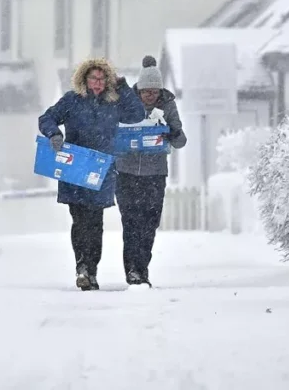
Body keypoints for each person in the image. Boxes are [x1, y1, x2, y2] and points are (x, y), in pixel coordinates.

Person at [38, 57, 145, 291]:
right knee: (80, 220)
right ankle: (82, 267)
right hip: (75, 168)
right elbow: (46, 118)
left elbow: (137, 114)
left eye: (101, 79)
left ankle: (91, 271)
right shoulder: (71, 101)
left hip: (101, 170)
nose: (97, 83)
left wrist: (123, 87)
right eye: (93, 78)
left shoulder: (113, 103)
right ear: (83, 79)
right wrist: (54, 133)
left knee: (95, 223)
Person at [114, 55, 187, 287]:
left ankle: (142, 267)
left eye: (154, 92)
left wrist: (171, 133)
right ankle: (133, 271)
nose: (150, 96)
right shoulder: (125, 103)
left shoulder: (167, 105)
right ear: (139, 90)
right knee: (131, 222)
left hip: (155, 175)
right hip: (125, 173)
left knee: (149, 223)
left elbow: (180, 140)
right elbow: (112, 128)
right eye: (146, 92)